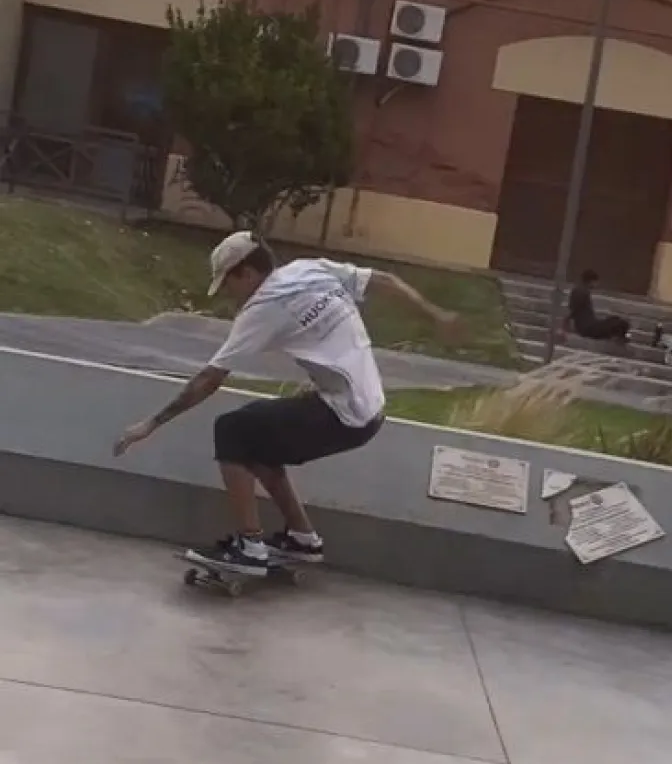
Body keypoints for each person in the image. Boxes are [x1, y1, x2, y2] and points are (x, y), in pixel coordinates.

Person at [113, 231, 463, 577]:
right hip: (368, 408)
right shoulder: (310, 269)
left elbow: (209, 378)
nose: (230, 297)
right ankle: (303, 539)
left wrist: (151, 423)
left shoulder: (262, 308)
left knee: (231, 429)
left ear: (246, 273)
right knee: (260, 443)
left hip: (344, 414)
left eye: (229, 285)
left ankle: (250, 548)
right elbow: (384, 280)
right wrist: (436, 314)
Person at [563, 269, 630, 344]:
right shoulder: (580, 292)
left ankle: (620, 337)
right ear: (591, 281)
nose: (597, 284)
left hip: (591, 325)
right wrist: (565, 326)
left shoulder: (582, 291)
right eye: (596, 282)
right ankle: (620, 338)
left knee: (615, 320)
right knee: (621, 323)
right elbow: (572, 310)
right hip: (587, 328)